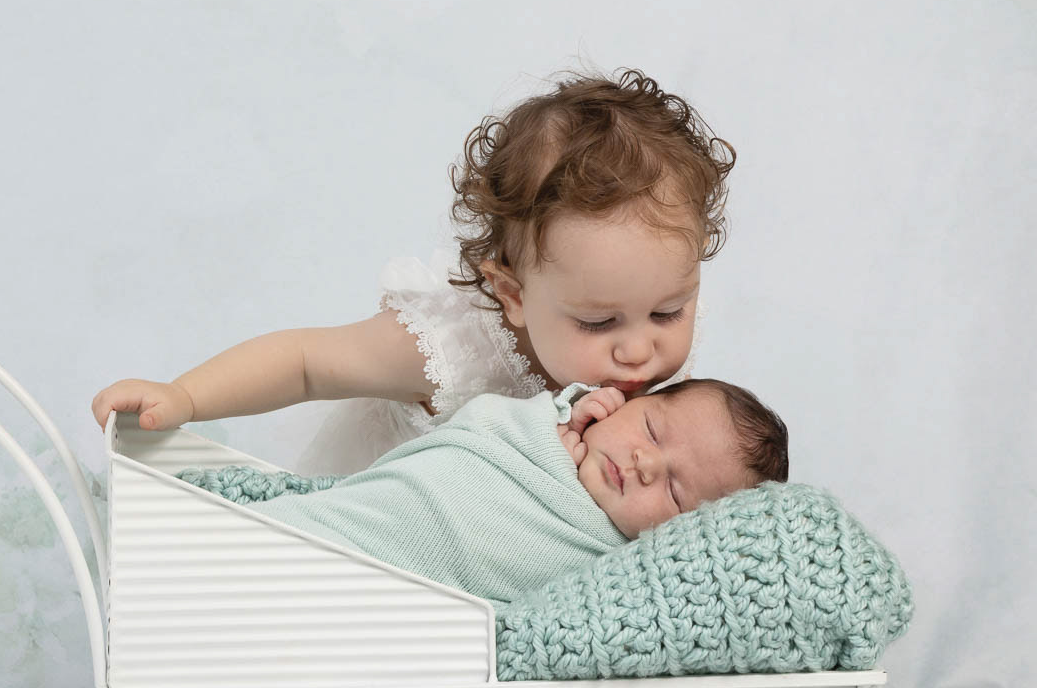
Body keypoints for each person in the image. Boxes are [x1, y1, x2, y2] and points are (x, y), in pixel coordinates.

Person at [92, 69, 737, 475]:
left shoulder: (638, 328)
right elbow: (305, 362)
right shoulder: (451, 350)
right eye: (598, 322)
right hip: (395, 537)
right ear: (511, 293)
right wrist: (185, 397)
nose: (639, 349)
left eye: (670, 311)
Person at [180, 379, 788, 606]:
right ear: (621, 401)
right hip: (336, 521)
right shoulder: (540, 426)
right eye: (651, 429)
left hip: (368, 595)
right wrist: (565, 418)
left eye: (677, 492)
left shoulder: (616, 565)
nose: (645, 463)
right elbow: (476, 430)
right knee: (246, 539)